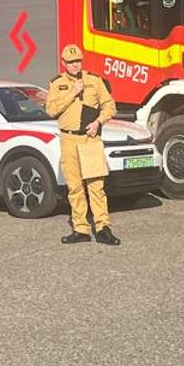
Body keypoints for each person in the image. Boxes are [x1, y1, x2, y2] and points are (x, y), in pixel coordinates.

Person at [45, 44, 119, 246]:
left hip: (90, 139)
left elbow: (109, 105)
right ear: (63, 63)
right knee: (74, 187)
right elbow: (51, 110)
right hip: (68, 139)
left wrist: (98, 122)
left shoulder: (94, 81)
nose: (75, 65)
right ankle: (81, 229)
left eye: (77, 61)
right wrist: (71, 93)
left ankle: (103, 227)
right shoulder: (56, 84)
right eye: (70, 62)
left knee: (96, 187)